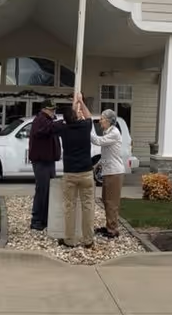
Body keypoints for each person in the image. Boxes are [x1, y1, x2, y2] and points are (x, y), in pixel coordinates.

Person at [76, 98, 124, 238]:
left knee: (112, 201)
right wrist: (97, 165)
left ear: (109, 120)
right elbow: (106, 153)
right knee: (106, 199)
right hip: (109, 171)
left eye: (102, 119)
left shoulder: (114, 133)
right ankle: (109, 225)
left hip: (115, 172)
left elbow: (97, 141)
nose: (100, 121)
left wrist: (87, 125)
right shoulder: (108, 131)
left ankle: (113, 230)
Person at [55, 95, 95, 248]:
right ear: (77, 115)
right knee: (88, 206)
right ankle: (88, 240)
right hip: (86, 172)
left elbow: (64, 121)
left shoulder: (63, 129)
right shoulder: (85, 127)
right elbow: (88, 115)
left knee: (69, 207)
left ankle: (70, 240)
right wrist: (81, 102)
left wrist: (73, 108)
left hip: (70, 173)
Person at [28, 99, 61, 231]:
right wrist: (61, 123)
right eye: (51, 109)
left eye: (54, 109)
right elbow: (45, 130)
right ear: (43, 109)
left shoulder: (48, 121)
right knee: (42, 190)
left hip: (49, 161)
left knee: (49, 191)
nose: (53, 112)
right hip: (41, 162)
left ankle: (45, 219)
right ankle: (36, 220)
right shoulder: (40, 120)